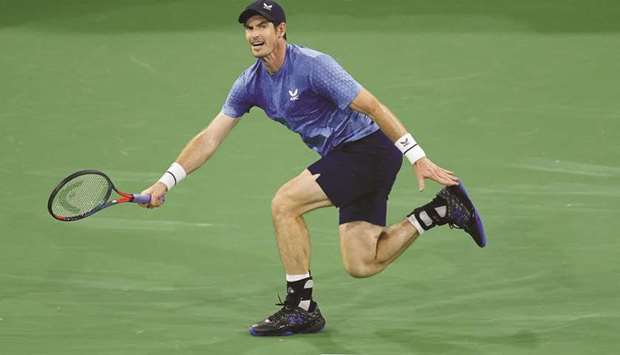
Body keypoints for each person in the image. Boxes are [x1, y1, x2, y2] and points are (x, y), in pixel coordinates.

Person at [140, 0, 487, 337]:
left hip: (368, 149)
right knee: (363, 262)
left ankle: (301, 307)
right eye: (249, 28)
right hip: (348, 156)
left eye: (262, 26)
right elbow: (210, 138)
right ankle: (441, 210)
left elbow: (374, 107)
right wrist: (165, 182)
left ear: (281, 30)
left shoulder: (313, 66)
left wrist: (418, 156)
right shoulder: (250, 83)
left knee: (285, 203)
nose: (254, 34)